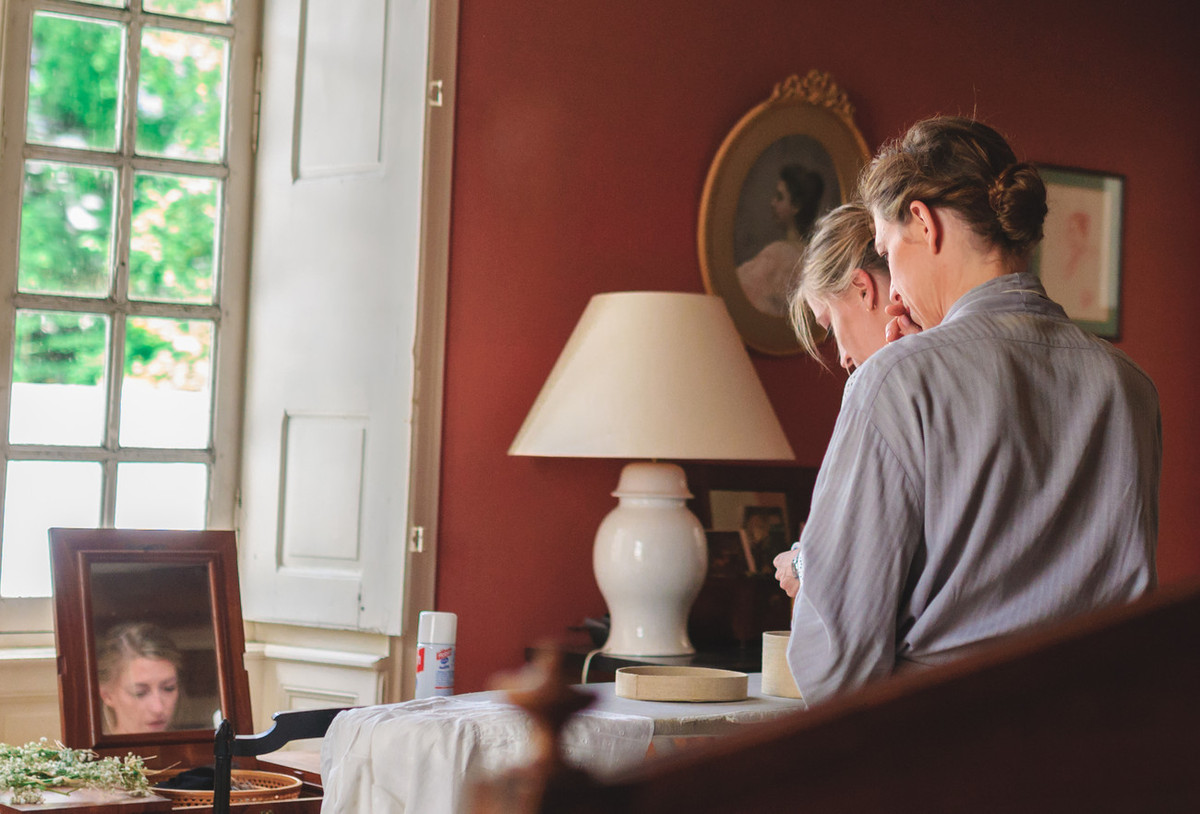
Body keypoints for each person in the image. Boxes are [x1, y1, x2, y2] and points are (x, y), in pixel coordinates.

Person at [775, 115, 1160, 707]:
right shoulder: (1130, 386)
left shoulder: (895, 384)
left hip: (948, 756)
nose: (894, 291)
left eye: (885, 250)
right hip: (1103, 755)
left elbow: (837, 671)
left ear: (923, 224)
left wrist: (808, 584)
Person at [736, 163, 824, 317]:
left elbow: (736, 290)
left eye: (780, 197)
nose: (773, 203)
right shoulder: (816, 255)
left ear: (796, 206)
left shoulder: (777, 254)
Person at [96, 621, 182, 734]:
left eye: (168, 688)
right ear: (107, 696)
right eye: (139, 693)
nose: (158, 708)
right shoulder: (89, 751)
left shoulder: (196, 749)